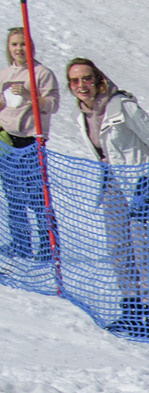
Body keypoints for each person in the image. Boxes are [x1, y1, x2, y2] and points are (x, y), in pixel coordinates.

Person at [67, 59, 149, 342]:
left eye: (87, 79)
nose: (81, 86)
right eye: (75, 81)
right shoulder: (83, 115)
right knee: (119, 247)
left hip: (141, 182)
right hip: (112, 184)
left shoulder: (121, 106)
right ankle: (132, 307)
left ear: (99, 79)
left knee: (145, 250)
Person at [0, 27, 57, 261]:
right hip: (6, 137)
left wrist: (29, 94)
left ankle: (48, 245)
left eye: (23, 44)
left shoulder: (41, 73)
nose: (19, 49)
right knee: (13, 195)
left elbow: (51, 104)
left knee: (36, 195)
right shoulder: (4, 73)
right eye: (14, 44)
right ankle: (21, 243)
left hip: (31, 140)